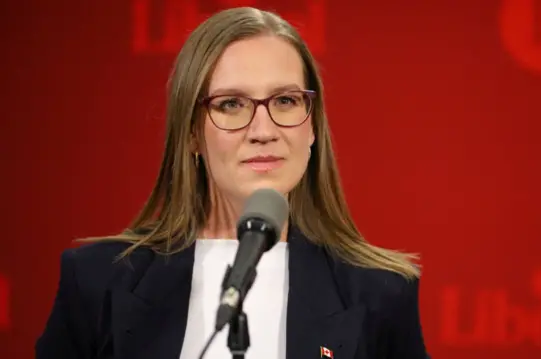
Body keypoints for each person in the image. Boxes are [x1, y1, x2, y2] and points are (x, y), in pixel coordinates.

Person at [36, 6, 429, 359]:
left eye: (285, 101)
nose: (263, 130)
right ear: (191, 131)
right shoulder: (95, 282)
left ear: (312, 127)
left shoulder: (381, 292)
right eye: (231, 104)